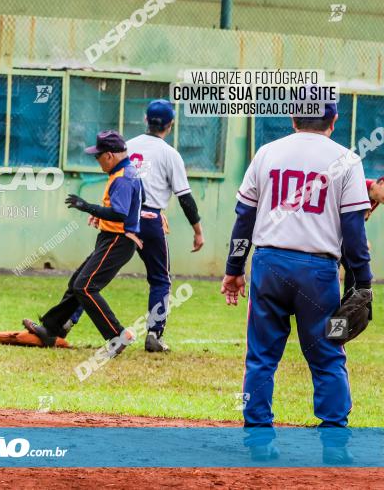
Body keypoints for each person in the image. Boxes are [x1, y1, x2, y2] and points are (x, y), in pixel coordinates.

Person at [221, 101, 371, 430]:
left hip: (268, 266)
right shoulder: (346, 159)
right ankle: (333, 438)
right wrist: (363, 282)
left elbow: (244, 218)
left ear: (293, 118)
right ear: (333, 120)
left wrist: (234, 268)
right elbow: (354, 232)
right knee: (329, 352)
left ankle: (257, 433)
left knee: (260, 356)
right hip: (318, 274)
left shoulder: (267, 153)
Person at [61, 100, 204, 352]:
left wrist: (100, 211)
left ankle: (67, 321)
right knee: (160, 278)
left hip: (121, 219)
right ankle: (154, 334)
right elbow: (185, 198)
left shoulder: (127, 146)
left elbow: (117, 182)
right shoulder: (170, 154)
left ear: (145, 120)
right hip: (149, 220)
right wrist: (197, 230)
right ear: (170, 125)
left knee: (93, 273)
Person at [23, 130, 144, 356]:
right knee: (76, 283)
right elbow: (136, 203)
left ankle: (117, 336)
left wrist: (87, 206)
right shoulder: (128, 172)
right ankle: (51, 329)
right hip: (112, 238)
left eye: (97, 156)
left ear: (109, 155)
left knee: (85, 286)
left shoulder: (123, 177)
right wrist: (103, 216)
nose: (97, 161)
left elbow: (120, 213)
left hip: (118, 241)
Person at [342, 176, 384, 295]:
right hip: (334, 232)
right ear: (381, 183)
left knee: (352, 268)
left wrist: (362, 239)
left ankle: (348, 303)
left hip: (344, 234)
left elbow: (359, 222)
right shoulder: (360, 186)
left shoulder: (375, 200)